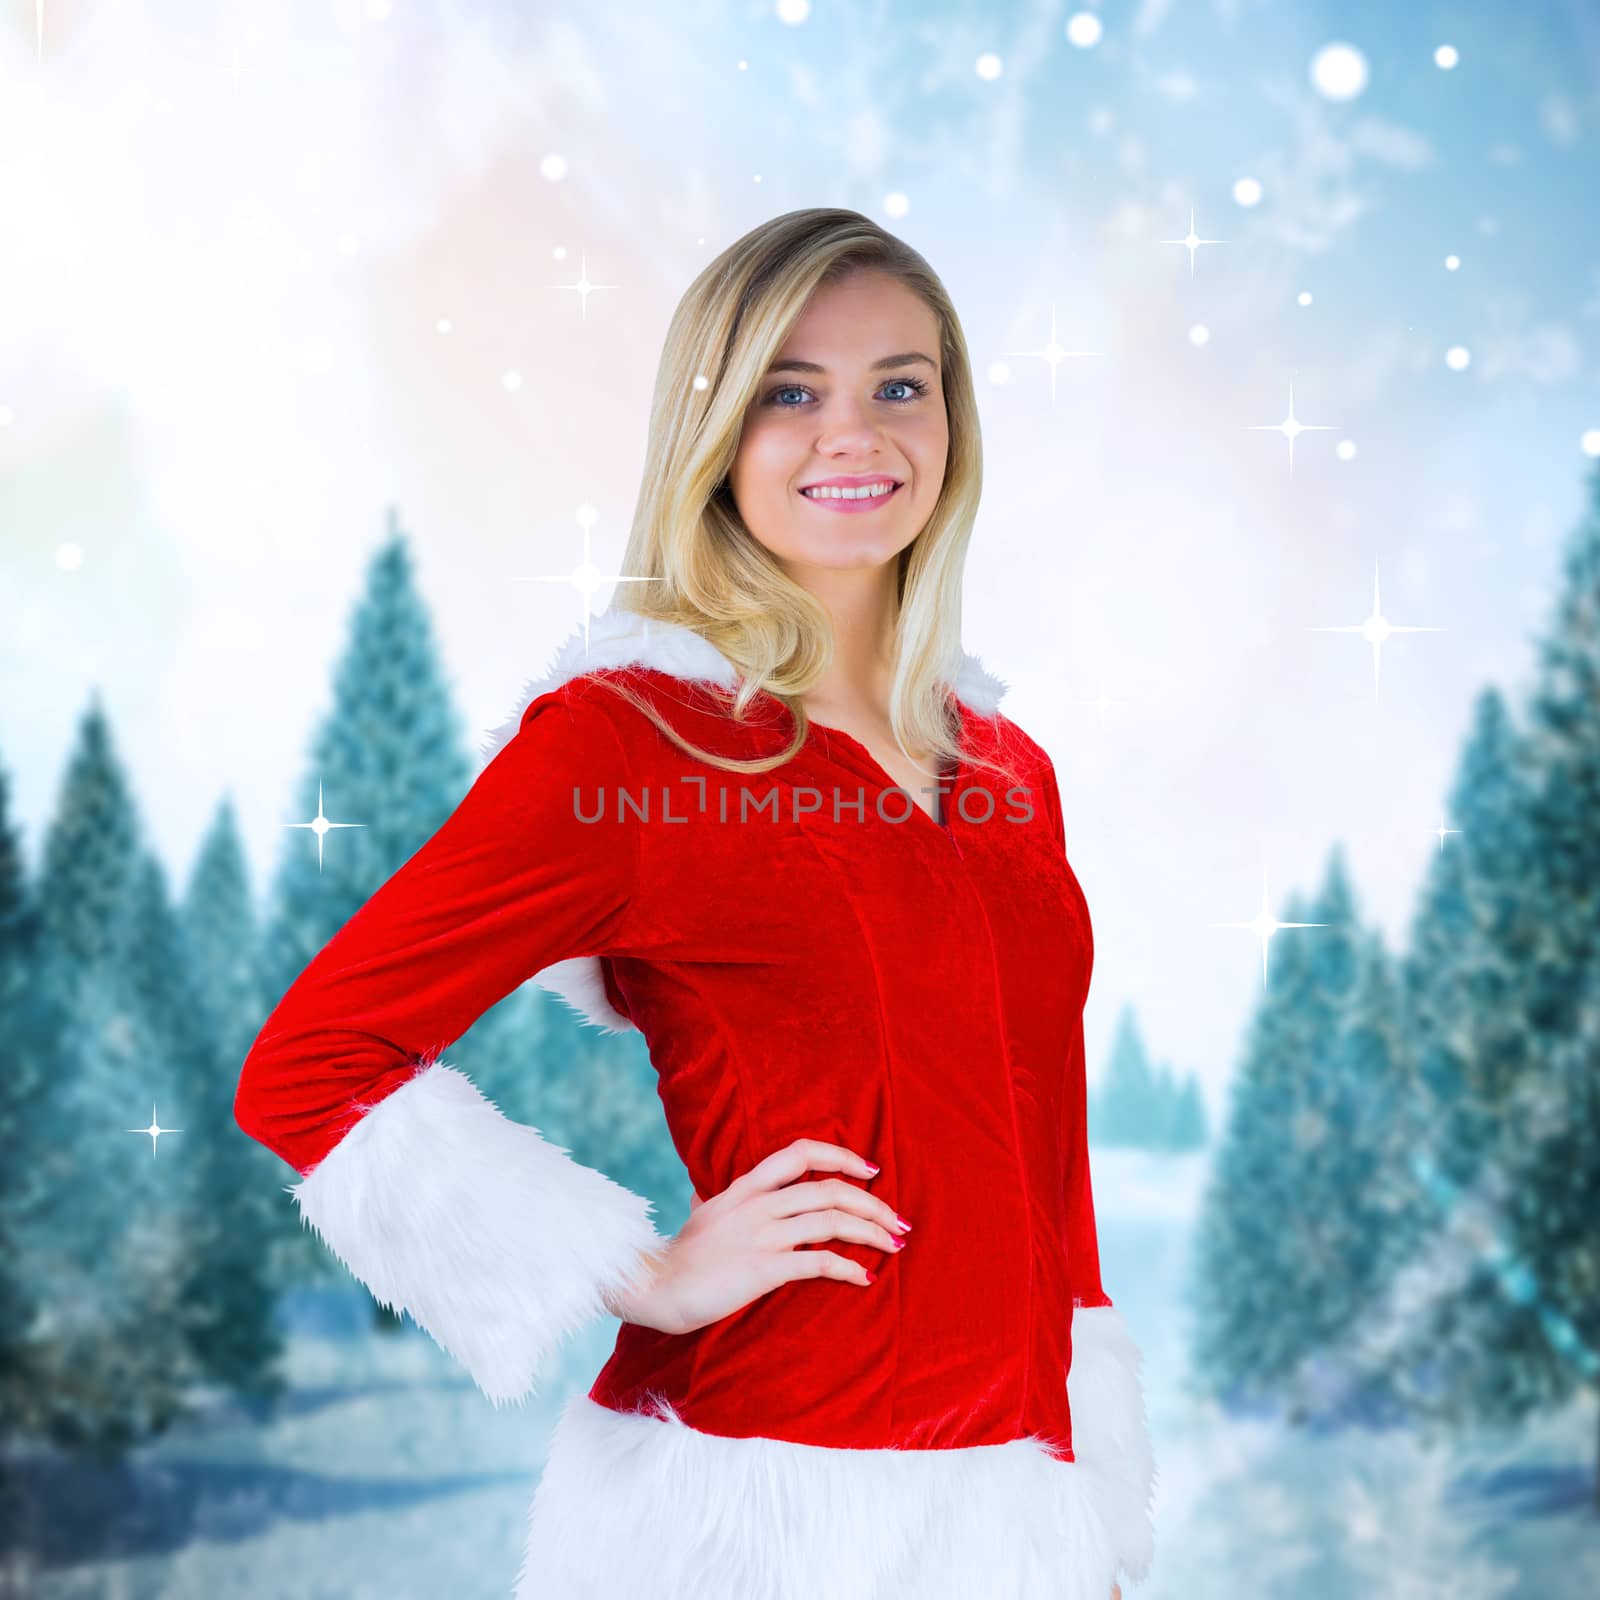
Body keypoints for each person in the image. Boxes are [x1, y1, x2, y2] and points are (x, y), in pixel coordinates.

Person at [234, 208, 1156, 1599]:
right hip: (750, 1513)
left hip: (1019, 1518)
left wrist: (1092, 1503)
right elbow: (309, 1067)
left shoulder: (1009, 772)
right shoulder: (632, 742)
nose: (856, 436)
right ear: (713, 431)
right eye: (792, 393)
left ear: (952, 424)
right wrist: (632, 1267)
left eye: (900, 387)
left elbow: (1048, 1160)